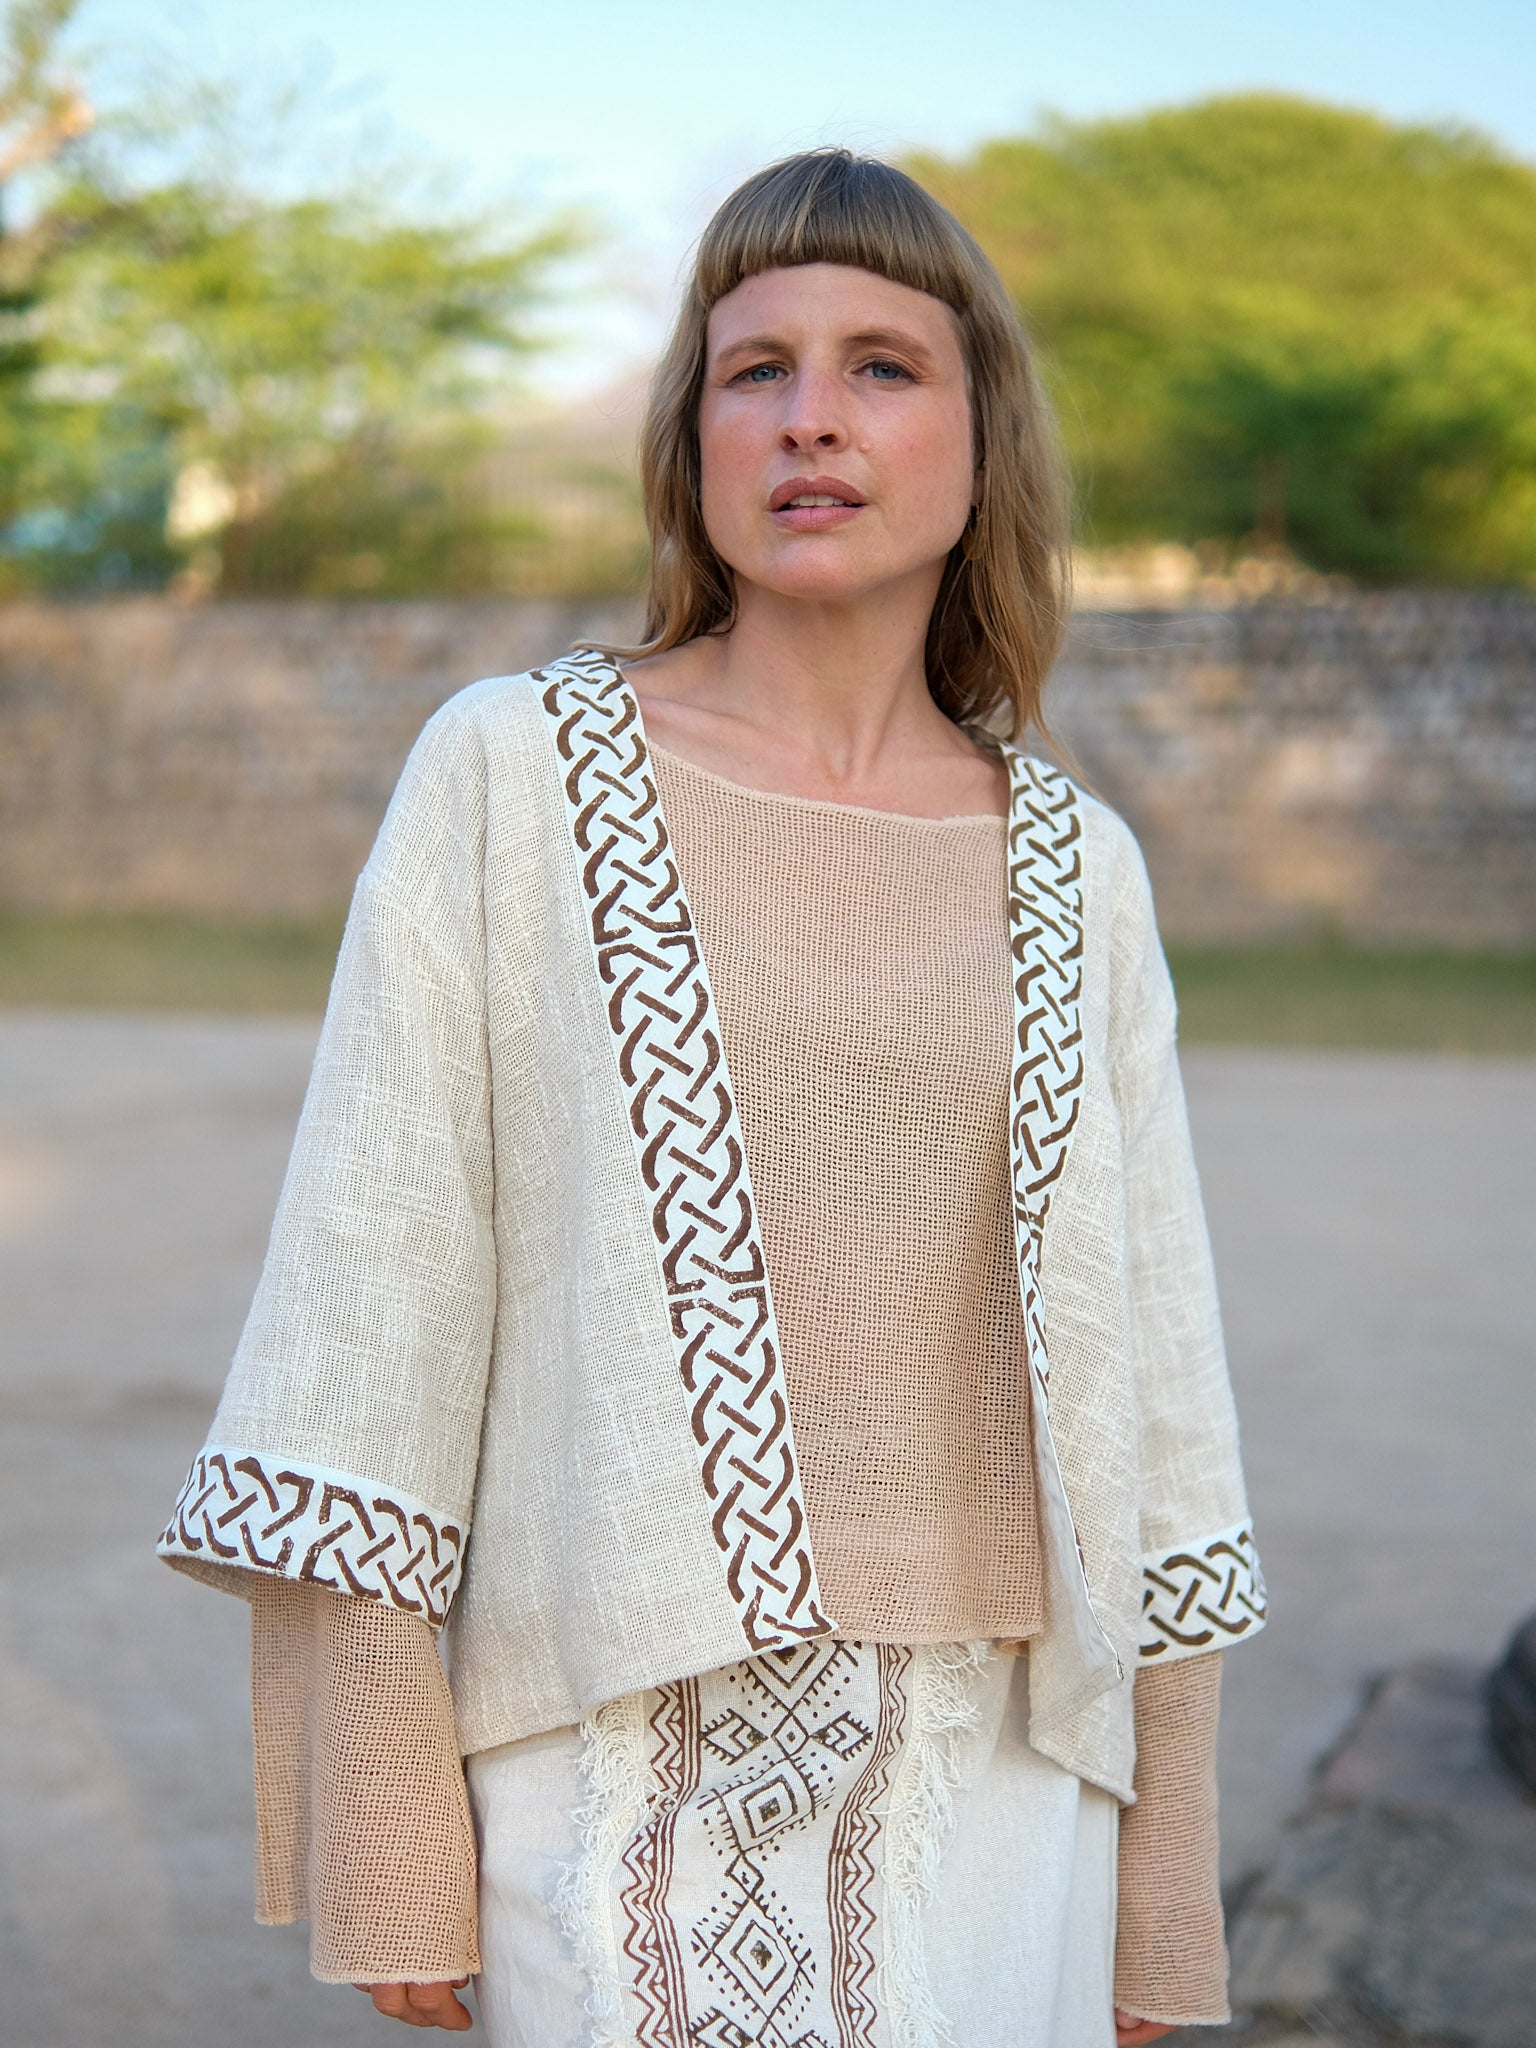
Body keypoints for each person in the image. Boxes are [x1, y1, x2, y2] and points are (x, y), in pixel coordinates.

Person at [157, 148, 1267, 2047]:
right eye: (756, 370)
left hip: (1002, 1777)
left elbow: (1155, 1383)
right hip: (614, 1754)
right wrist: (387, 1801)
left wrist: (1159, 1886)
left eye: (881, 366)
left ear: (985, 440)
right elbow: (374, 1286)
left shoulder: (1079, 865)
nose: (811, 417)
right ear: (693, 445)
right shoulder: (514, 773)